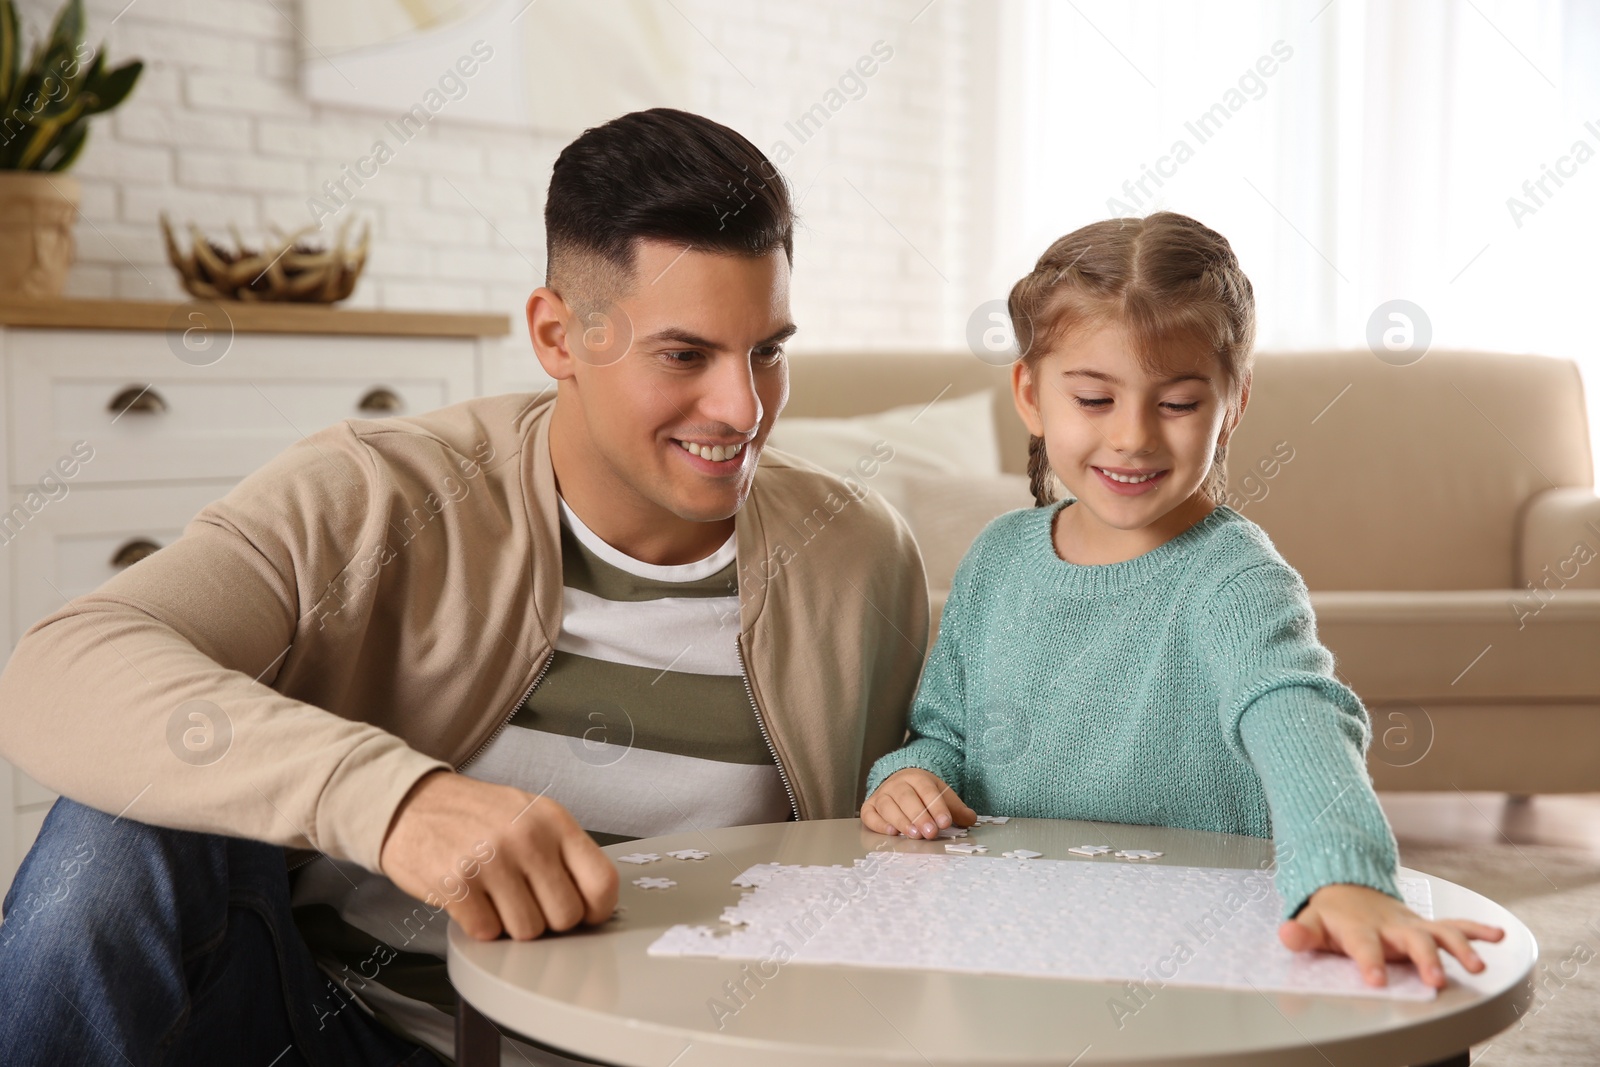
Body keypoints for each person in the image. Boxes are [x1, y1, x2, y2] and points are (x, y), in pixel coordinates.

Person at [0, 108, 929, 1065]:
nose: (743, 408)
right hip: (335, 1032)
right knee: (115, 827)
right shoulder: (375, 492)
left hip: (675, 1047)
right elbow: (61, 664)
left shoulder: (856, 555)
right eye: (685, 355)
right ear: (557, 335)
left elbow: (931, 794)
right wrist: (394, 800)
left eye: (768, 349)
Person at [859, 211, 1504, 990]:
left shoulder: (1233, 577)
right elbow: (943, 734)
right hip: (1016, 943)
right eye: (1095, 398)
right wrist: (907, 776)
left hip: (1191, 954)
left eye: (1177, 404)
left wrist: (1348, 876)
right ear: (1030, 394)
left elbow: (1298, 717)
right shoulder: (997, 559)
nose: (1133, 437)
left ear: (1234, 402)